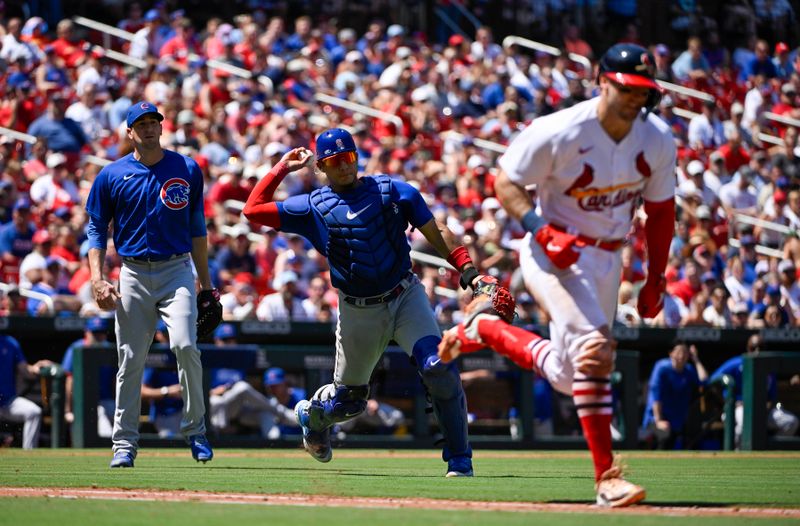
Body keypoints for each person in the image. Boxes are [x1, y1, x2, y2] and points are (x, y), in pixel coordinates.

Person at [438, 44, 677, 506]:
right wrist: (539, 228)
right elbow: (505, 181)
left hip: (608, 260)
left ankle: (485, 328)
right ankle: (607, 479)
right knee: (593, 351)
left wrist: (657, 277)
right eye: (626, 89)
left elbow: (661, 211)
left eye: (643, 91)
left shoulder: (657, 138)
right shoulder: (560, 129)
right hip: (553, 253)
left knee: (570, 375)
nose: (634, 100)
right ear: (602, 82)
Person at [243, 127, 483, 477]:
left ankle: (460, 458)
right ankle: (313, 416)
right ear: (322, 167)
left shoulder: (393, 191)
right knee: (349, 403)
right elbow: (252, 210)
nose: (344, 166)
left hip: (405, 295)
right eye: (335, 161)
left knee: (437, 366)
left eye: (350, 158)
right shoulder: (313, 206)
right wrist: (282, 168)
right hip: (358, 309)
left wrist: (467, 268)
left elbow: (437, 230)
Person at [85, 100, 216, 468]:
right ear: (129, 132)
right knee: (130, 358)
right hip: (133, 272)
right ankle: (124, 444)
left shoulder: (186, 168)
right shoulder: (111, 174)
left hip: (177, 269)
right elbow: (96, 229)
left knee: (186, 345)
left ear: (162, 127)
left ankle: (196, 430)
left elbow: (197, 230)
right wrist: (97, 278)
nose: (148, 128)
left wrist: (206, 285)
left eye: (153, 121)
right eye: (140, 123)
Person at [709, 334, 799, 448]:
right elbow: (713, 381)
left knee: (791, 422)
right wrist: (728, 403)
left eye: (760, 348)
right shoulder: (736, 363)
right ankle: (737, 456)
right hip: (739, 408)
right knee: (743, 425)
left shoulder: (768, 367)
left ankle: (770, 452)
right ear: (747, 348)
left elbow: (772, 396)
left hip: (762, 410)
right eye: (753, 348)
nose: (757, 351)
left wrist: (767, 406)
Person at [208, 323, 296, 439]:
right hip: (216, 407)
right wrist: (216, 391)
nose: (229, 343)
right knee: (238, 389)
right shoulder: (208, 359)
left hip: (239, 408)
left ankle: (274, 444)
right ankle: (283, 413)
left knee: (265, 414)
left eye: (232, 339)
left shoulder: (239, 360)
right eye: (225, 340)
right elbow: (198, 393)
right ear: (217, 341)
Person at [641, 342, 708, 449]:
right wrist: (658, 421)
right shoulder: (661, 367)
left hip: (678, 421)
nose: (681, 356)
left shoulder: (689, 370)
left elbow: (704, 380)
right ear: (671, 353)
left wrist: (695, 359)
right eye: (678, 352)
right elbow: (655, 395)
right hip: (656, 418)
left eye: (685, 353)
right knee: (664, 438)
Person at [61, 316, 116, 437]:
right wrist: (68, 410)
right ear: (87, 332)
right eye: (95, 332)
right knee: (106, 433)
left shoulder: (110, 349)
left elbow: (116, 381)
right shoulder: (76, 348)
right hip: (84, 402)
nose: (98, 336)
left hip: (106, 400)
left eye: (101, 332)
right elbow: (70, 380)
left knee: (127, 420)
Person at [0, 334, 52, 448]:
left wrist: (34, 368)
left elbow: (23, 367)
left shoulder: (10, 342)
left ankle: (28, 453)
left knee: (34, 412)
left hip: (7, 401)